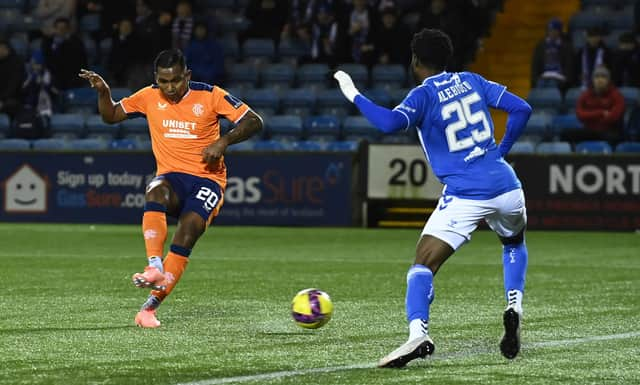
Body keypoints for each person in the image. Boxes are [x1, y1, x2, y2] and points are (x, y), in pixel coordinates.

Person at [334, 28, 532, 367]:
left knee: (422, 265)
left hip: (466, 195)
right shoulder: (472, 80)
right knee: (513, 243)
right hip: (508, 187)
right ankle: (514, 306)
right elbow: (522, 109)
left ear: (415, 60)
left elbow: (389, 124)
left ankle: (418, 335)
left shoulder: (423, 95)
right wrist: (501, 151)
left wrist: (353, 93)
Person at [79, 49, 263, 328]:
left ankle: (149, 309)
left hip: (208, 180)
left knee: (187, 231)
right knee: (155, 190)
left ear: (187, 75)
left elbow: (254, 120)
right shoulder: (148, 96)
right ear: (156, 79)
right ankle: (154, 264)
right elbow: (112, 115)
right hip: (172, 177)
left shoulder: (210, 95)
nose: (170, 87)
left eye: (176, 80)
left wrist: (223, 142)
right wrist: (104, 92)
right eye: (164, 81)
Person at [566, 65, 624, 145]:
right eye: (597, 77)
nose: (600, 80)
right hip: (590, 130)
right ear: (593, 80)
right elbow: (580, 115)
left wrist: (591, 118)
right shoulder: (586, 95)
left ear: (609, 80)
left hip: (609, 130)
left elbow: (613, 117)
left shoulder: (617, 96)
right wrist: (601, 113)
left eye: (603, 77)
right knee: (565, 134)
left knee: (615, 138)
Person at [530, 18, 573, 91]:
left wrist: (566, 80)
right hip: (543, 77)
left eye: (554, 30)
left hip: (560, 78)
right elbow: (535, 65)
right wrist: (535, 80)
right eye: (550, 30)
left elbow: (569, 66)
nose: (551, 32)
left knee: (552, 84)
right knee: (540, 85)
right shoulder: (540, 46)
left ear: (559, 31)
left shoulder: (567, 47)